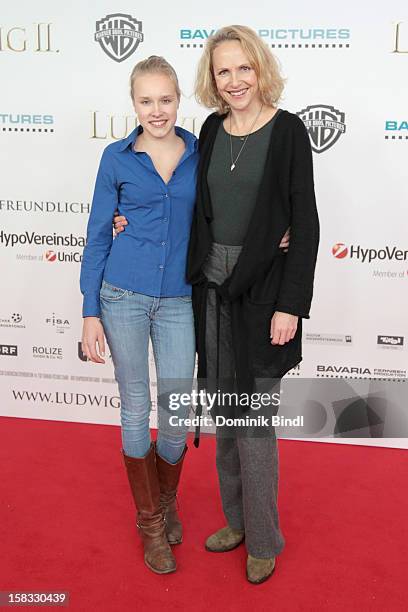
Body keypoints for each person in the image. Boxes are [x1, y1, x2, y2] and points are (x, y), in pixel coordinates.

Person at [114, 26, 310, 584]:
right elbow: (179, 201)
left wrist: (289, 305)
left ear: (259, 68)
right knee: (223, 411)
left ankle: (265, 538)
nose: (234, 80)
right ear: (213, 79)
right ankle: (237, 522)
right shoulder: (210, 129)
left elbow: (307, 224)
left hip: (265, 293)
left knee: (253, 422)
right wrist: (123, 222)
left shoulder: (290, 132)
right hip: (210, 291)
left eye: (243, 68)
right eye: (224, 71)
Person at [80, 56, 199, 575]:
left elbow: (233, 209)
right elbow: (98, 234)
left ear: (179, 99)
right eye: (147, 101)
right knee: (135, 408)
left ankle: (168, 502)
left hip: (179, 298)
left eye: (166, 99)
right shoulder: (116, 158)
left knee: (175, 414)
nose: (157, 111)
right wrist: (89, 312)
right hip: (121, 295)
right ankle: (151, 522)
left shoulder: (200, 150)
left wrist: (277, 234)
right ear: (134, 104)